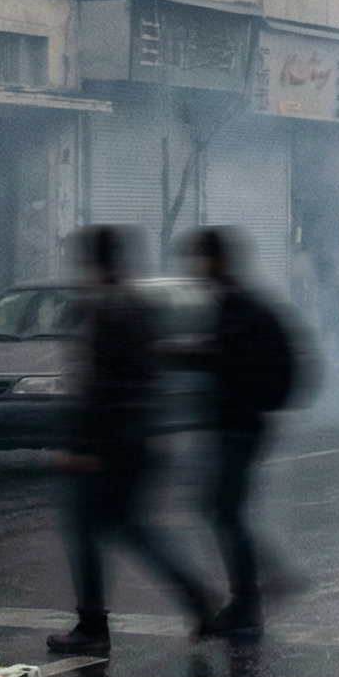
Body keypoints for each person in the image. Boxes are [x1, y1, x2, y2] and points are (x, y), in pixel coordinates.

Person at [46, 226, 221, 654]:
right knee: (130, 530)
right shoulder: (135, 307)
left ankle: (92, 626)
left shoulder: (111, 312)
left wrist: (84, 448)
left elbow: (102, 388)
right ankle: (193, 594)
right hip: (133, 440)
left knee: (87, 531)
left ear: (96, 264)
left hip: (110, 446)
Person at [185, 228, 301, 639]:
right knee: (224, 510)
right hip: (237, 423)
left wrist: (172, 354)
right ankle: (259, 588)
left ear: (213, 262)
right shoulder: (237, 302)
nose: (192, 270)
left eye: (197, 260)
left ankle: (249, 602)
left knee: (224, 511)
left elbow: (223, 356)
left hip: (239, 425)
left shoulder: (239, 305)